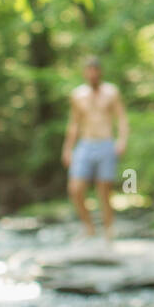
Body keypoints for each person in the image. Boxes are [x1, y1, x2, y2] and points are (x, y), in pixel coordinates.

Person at [62, 56, 129, 242]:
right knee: (75, 189)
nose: (92, 74)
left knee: (104, 191)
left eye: (95, 70)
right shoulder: (77, 95)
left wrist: (122, 140)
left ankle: (108, 231)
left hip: (106, 143)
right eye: (88, 70)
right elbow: (74, 124)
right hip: (85, 144)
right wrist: (68, 148)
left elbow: (121, 118)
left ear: (100, 72)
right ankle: (89, 227)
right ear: (84, 73)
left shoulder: (111, 92)